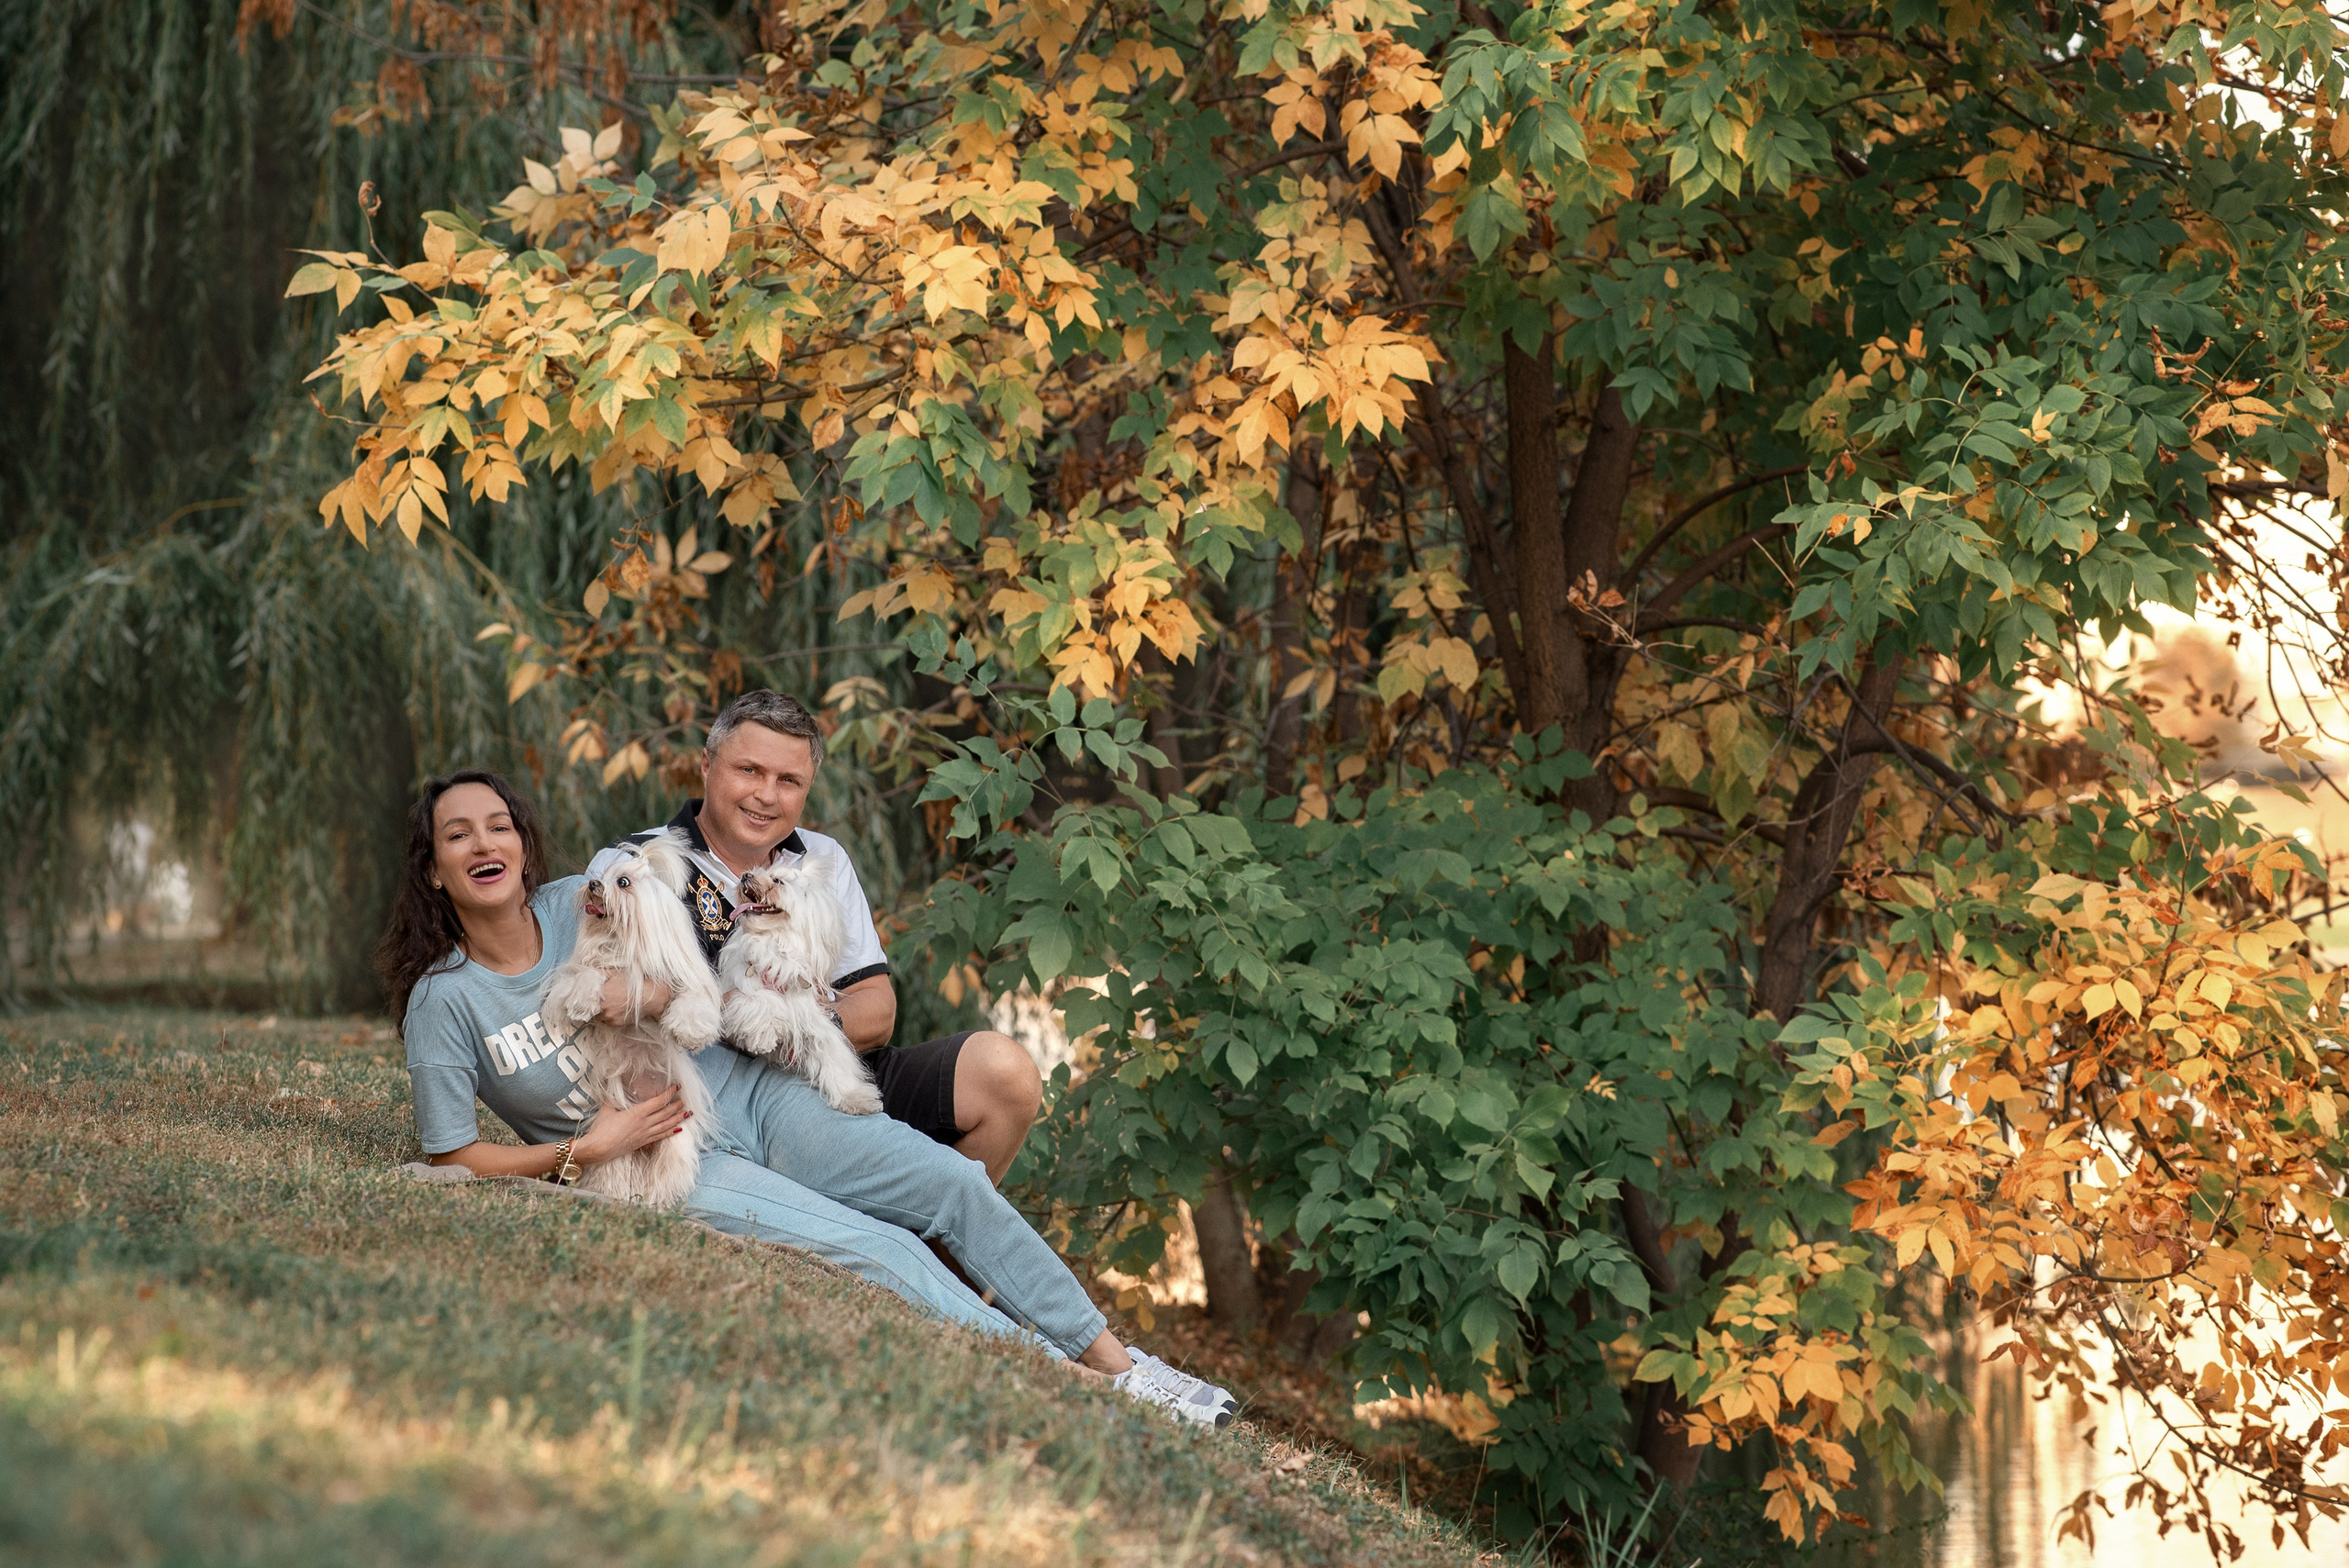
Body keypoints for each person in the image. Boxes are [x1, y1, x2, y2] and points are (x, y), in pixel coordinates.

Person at [385, 767, 1234, 1428]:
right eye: (458, 835)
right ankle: (1062, 1377)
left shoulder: (587, 898)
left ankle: (1123, 1366)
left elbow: (695, 984)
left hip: (751, 1093)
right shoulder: (446, 1001)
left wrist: (634, 998)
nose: (483, 843)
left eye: (498, 825)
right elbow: (454, 1156)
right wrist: (588, 1150)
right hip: (669, 1162)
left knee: (951, 1183)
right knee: (879, 1249)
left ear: (524, 846)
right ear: (433, 869)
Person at [584, 690, 1040, 1184]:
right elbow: (612, 1003)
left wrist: (798, 1027)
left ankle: (937, 1255)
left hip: (827, 1064)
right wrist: (738, 1016)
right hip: (721, 1098)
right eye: (750, 771)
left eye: (789, 781)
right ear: (706, 765)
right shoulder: (632, 869)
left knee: (1006, 1075)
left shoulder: (823, 859)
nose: (766, 795)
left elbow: (877, 1008)